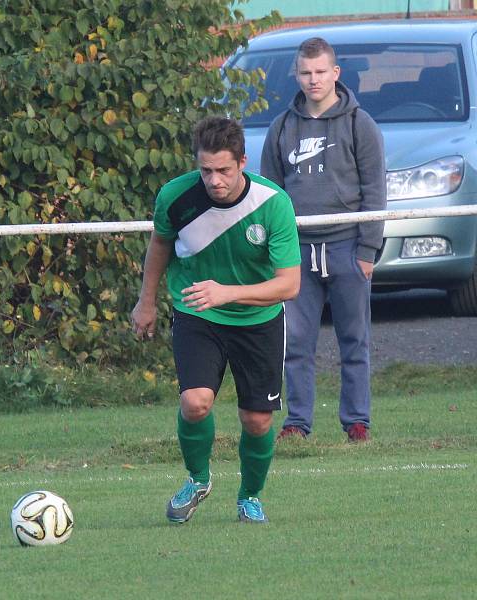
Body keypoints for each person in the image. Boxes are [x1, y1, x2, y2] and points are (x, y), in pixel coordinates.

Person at [131, 116, 300, 524]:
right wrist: (146, 301)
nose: (214, 180)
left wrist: (229, 292)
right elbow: (159, 245)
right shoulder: (176, 196)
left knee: (257, 420)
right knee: (195, 401)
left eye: (223, 170)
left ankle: (249, 496)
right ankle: (198, 479)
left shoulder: (272, 203)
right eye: (206, 170)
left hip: (258, 319)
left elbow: (289, 284)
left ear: (242, 162)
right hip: (197, 312)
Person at [260, 37, 386, 443]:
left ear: (336, 74)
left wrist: (367, 251)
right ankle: (297, 422)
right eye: (305, 73)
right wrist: (273, 254)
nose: (313, 80)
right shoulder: (281, 127)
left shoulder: (359, 124)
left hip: (348, 247)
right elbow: (270, 195)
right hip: (296, 251)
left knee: (355, 341)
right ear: (296, 76)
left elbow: (375, 191)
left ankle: (357, 421)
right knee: (295, 343)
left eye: (320, 72)